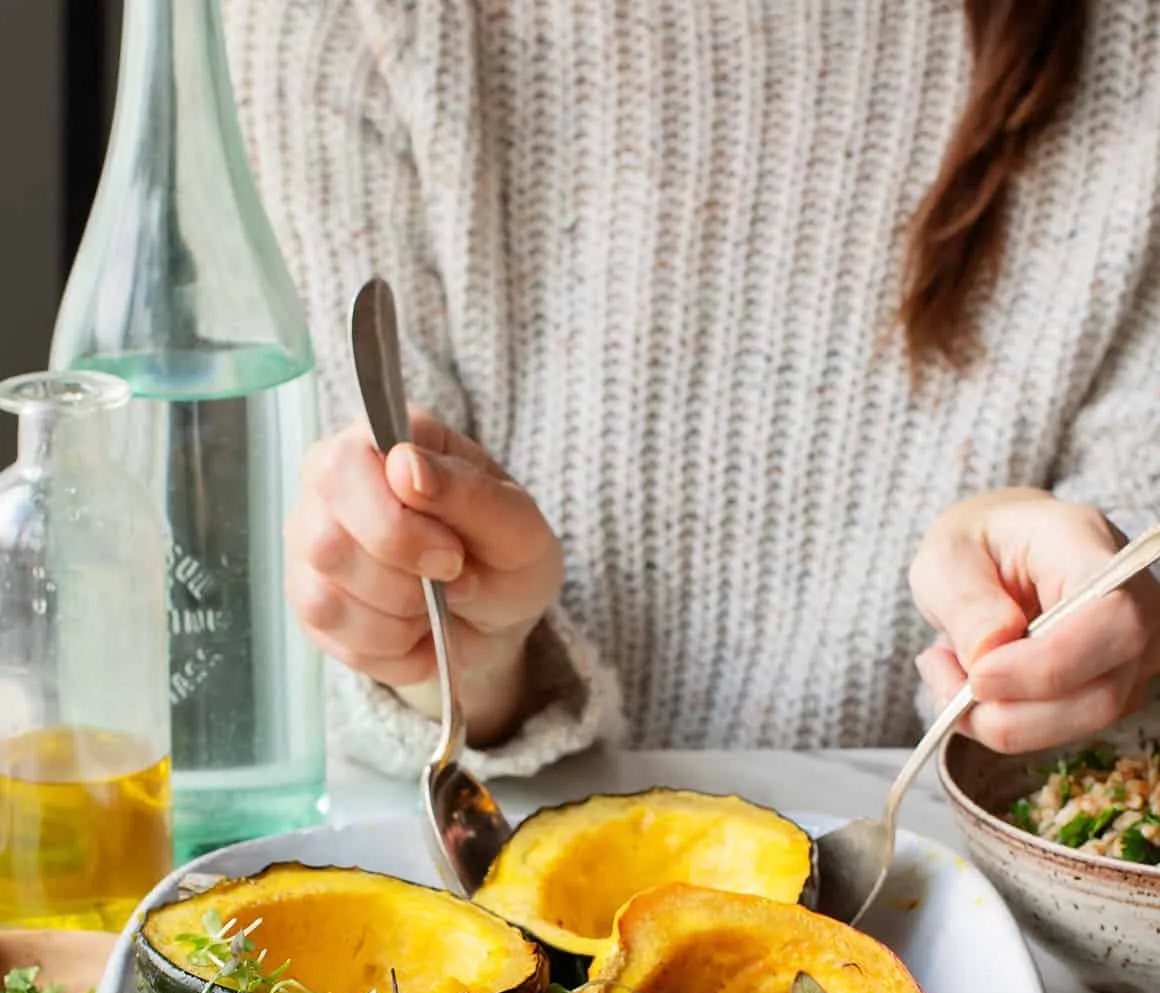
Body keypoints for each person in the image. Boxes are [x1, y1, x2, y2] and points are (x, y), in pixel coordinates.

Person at [224, 0, 1160, 780]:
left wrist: (1064, 637)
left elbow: (1110, 753)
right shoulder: (349, 19)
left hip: (995, 921)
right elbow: (358, 679)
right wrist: (463, 649)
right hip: (467, 869)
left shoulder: (1132, 41)